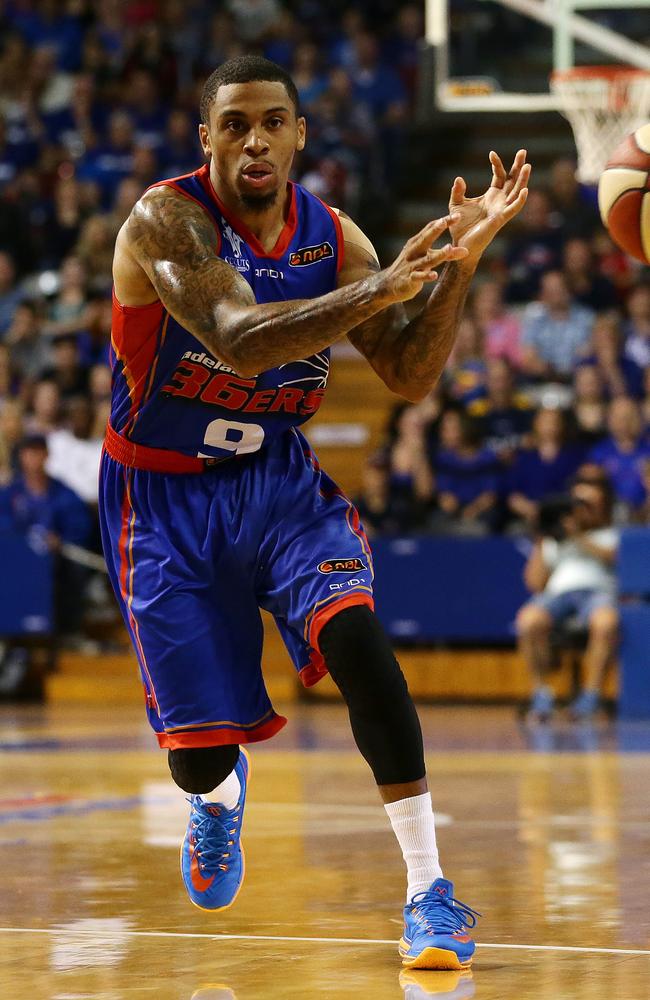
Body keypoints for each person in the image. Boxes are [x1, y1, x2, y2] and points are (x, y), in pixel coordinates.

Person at [101, 55, 529, 970]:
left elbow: (410, 376)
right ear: (206, 137)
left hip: (281, 486)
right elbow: (240, 342)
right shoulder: (164, 220)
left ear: (299, 134)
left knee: (359, 645)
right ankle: (216, 801)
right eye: (234, 124)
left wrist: (456, 266)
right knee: (197, 757)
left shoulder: (335, 238)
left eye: (273, 122)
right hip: (162, 498)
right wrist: (383, 289)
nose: (255, 139)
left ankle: (430, 894)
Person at [516, 476, 619, 721]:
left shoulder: (610, 533)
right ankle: (541, 693)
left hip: (597, 593)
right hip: (558, 595)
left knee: (605, 623)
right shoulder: (553, 540)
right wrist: (541, 538)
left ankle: (591, 696)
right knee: (528, 621)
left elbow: (612, 558)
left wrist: (578, 536)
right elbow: (534, 583)